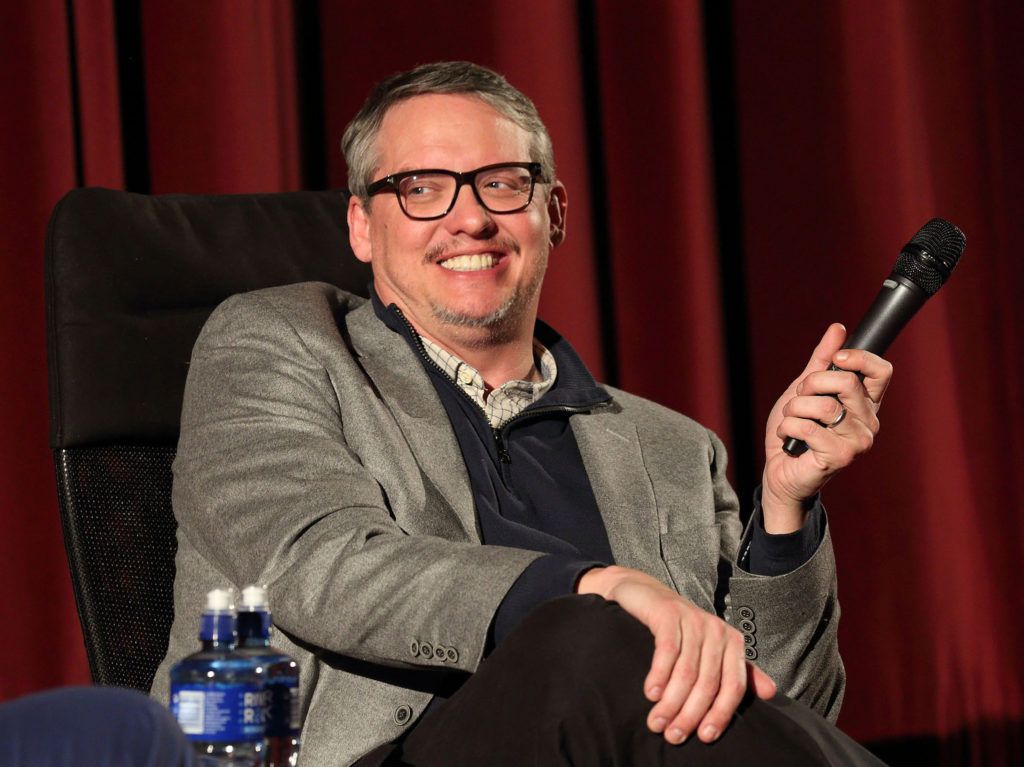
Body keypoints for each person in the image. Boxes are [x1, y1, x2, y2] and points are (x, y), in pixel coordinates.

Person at [152, 61, 891, 766]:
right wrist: (591, 585)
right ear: (362, 226)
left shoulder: (672, 447)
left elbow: (782, 715)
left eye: (502, 183)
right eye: (421, 188)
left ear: (554, 212)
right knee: (590, 635)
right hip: (374, 754)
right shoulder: (278, 344)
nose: (468, 218)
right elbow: (317, 565)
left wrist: (785, 507)